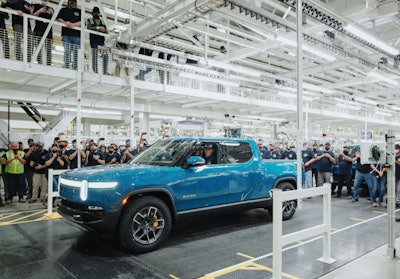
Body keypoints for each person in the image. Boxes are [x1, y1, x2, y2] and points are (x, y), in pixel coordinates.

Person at [57, 0, 81, 69]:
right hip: (66, 35)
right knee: (67, 51)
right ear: (69, 2)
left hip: (77, 36)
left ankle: (76, 67)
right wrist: (66, 23)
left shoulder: (79, 11)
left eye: (75, 2)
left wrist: (72, 25)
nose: (74, 4)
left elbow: (82, 22)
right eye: (72, 2)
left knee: (76, 52)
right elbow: (59, 19)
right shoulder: (63, 10)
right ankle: (66, 66)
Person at [86, 6, 108, 74]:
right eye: (95, 13)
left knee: (105, 55)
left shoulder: (103, 21)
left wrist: (104, 30)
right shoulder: (89, 20)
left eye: (97, 13)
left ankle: (105, 71)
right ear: (92, 13)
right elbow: (89, 28)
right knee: (94, 55)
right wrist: (98, 28)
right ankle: (95, 70)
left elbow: (107, 31)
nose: (96, 14)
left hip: (101, 40)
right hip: (94, 40)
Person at [32, 0, 54, 65]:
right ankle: (39, 62)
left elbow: (56, 19)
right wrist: (40, 11)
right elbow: (32, 16)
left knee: (48, 49)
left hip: (48, 32)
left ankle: (48, 63)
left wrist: (52, 13)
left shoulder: (50, 9)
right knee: (38, 47)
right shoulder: (36, 6)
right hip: (38, 30)